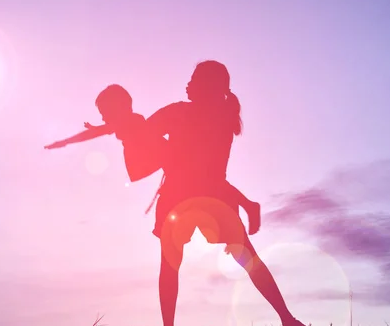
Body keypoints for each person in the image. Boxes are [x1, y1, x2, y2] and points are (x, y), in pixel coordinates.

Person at [139, 60, 311, 326]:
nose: (188, 84)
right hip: (213, 200)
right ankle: (289, 322)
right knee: (249, 259)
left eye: (193, 79)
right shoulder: (223, 121)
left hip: (181, 199)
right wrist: (243, 202)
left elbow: (145, 136)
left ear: (206, 86)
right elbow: (210, 177)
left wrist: (131, 130)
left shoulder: (180, 113)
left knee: (170, 265)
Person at [44, 84, 262, 235]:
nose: (102, 116)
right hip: (157, 157)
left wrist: (66, 142)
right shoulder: (126, 121)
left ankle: (249, 206)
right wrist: (76, 137)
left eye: (104, 111)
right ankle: (248, 205)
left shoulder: (131, 121)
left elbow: (99, 132)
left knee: (204, 178)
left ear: (119, 107)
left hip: (160, 155)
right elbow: (101, 130)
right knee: (205, 178)